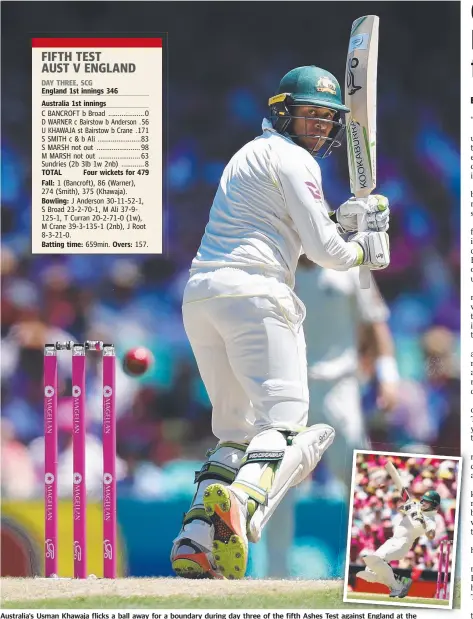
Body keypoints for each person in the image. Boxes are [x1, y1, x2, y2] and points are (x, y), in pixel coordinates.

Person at [170, 65, 391, 580]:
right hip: (257, 295)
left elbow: (296, 229)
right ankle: (243, 500)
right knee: (290, 431)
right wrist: (368, 248)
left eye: (325, 118)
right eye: (308, 114)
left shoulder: (248, 154)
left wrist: (349, 224)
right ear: (282, 112)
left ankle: (197, 541)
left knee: (233, 433)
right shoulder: (295, 159)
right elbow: (326, 251)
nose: (317, 125)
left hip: (202, 297)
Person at [264, 255, 399, 577]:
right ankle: (276, 576)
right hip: (287, 391)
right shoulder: (273, 271)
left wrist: (388, 375)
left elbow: (374, 322)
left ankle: (384, 569)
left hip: (340, 387)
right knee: (278, 485)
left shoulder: (351, 268)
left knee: (360, 476)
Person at [356, 490, 440, 598]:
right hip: (392, 540)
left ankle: (393, 583)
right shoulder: (417, 507)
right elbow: (400, 508)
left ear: (433, 505)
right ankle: (399, 582)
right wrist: (409, 508)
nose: (423, 503)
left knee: (377, 561)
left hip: (402, 544)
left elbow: (431, 535)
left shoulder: (431, 520)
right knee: (372, 566)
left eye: (427, 502)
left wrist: (422, 521)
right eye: (423, 500)